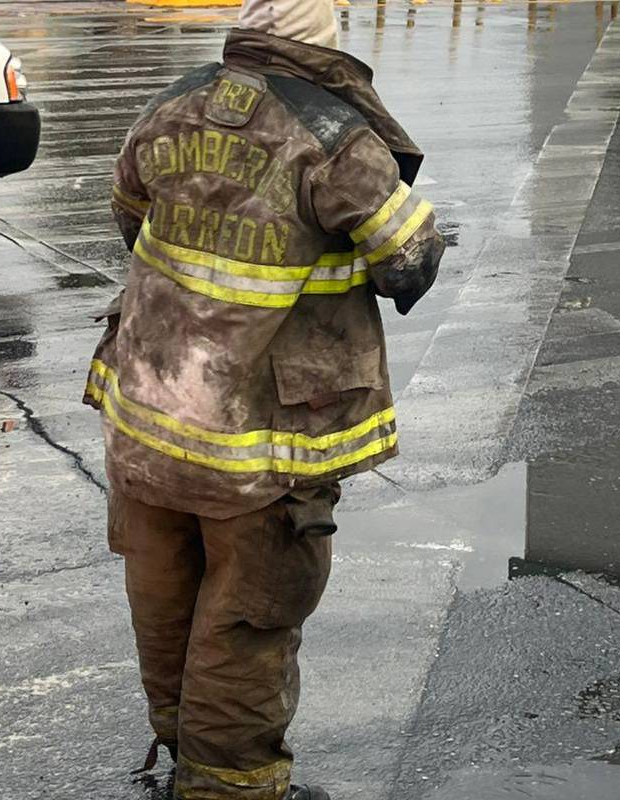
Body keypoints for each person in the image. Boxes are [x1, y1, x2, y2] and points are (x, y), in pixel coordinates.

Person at [82, 0, 444, 796]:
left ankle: (182, 746)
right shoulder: (336, 140)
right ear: (325, 34)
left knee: (164, 586)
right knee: (250, 612)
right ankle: (228, 783)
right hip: (257, 444)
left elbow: (129, 214)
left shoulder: (170, 105)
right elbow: (410, 260)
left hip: (145, 416)